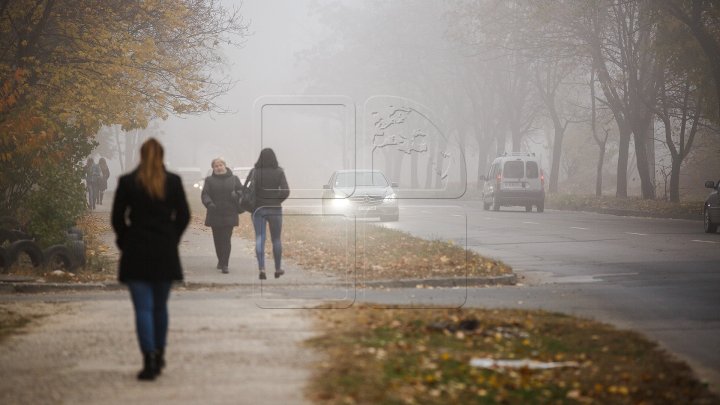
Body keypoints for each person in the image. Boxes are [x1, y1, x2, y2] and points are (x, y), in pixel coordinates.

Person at [111, 138, 190, 381]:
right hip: (164, 251)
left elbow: (117, 218)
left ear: (141, 155)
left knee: (143, 308)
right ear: (162, 155)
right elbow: (184, 215)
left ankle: (149, 358)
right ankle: (160, 352)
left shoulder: (127, 182)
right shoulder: (173, 181)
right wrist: (172, 237)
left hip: (136, 250)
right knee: (159, 307)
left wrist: (125, 240)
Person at [251, 148, 289, 280]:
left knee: (260, 238)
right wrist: (276, 201)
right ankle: (278, 268)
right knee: (276, 239)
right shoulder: (279, 172)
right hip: (275, 210)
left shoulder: (255, 172)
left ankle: (262, 268)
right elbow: (286, 191)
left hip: (259, 209)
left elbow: (252, 192)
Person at [201, 158, 242, 274]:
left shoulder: (234, 179)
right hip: (215, 212)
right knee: (217, 239)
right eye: (216, 166)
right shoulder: (209, 180)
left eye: (220, 165)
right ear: (213, 168)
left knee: (226, 239)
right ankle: (220, 259)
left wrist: (237, 194)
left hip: (230, 213)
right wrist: (209, 203)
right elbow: (205, 194)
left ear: (225, 165)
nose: (219, 167)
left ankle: (225, 264)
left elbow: (242, 192)